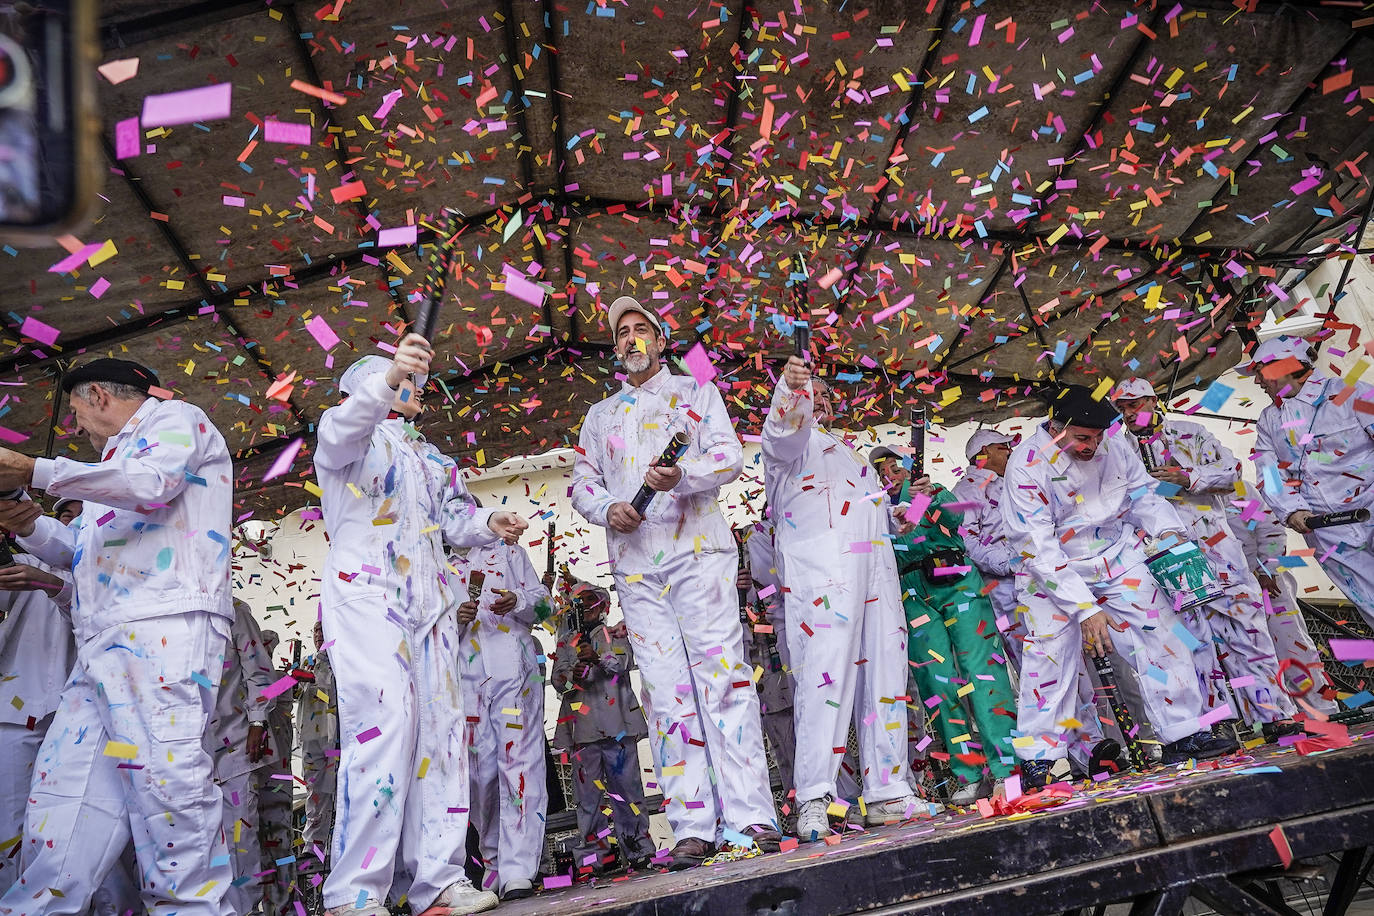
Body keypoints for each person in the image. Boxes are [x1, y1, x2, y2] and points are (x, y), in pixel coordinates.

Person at [0, 357, 236, 915]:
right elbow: (79, 554)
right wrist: (27, 522)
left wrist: (32, 466)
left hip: (162, 625)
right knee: (64, 793)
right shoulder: (111, 461)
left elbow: (153, 486)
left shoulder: (177, 418)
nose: (76, 426)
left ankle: (196, 910)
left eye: (77, 412)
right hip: (100, 641)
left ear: (101, 395)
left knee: (166, 781)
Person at [314, 335, 528, 916]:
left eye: (413, 379)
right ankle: (355, 892)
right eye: (395, 379)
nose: (410, 386)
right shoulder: (346, 434)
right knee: (383, 726)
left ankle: (438, 881)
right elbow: (343, 430)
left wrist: (491, 519)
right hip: (368, 597)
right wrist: (383, 380)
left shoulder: (430, 456)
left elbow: (454, 520)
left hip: (430, 602)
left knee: (441, 734)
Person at [571, 296, 779, 869]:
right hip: (636, 567)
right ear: (616, 349)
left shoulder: (696, 393)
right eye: (623, 334)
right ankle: (692, 825)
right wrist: (608, 508)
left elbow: (730, 457)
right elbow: (581, 484)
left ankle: (749, 815)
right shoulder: (600, 416)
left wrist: (682, 475)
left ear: (661, 342)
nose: (633, 339)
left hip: (697, 554)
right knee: (666, 693)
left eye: (643, 330)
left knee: (721, 679)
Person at [1001, 384, 1238, 788]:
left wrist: (1171, 538)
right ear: (1056, 429)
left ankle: (1184, 733)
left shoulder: (1112, 444)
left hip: (1116, 552)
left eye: (1097, 437)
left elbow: (1144, 494)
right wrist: (1085, 609)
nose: (1091, 446)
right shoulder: (1026, 464)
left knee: (1163, 635)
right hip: (1053, 566)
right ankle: (1040, 760)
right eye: (1081, 439)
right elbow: (1035, 547)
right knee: (1049, 657)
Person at [761, 354, 922, 841]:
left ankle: (888, 790)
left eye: (827, 397)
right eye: (814, 397)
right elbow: (782, 430)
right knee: (824, 680)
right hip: (824, 575)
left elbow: (874, 514)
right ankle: (814, 795)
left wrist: (900, 515)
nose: (822, 403)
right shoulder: (788, 447)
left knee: (886, 673)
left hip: (876, 574)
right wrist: (791, 392)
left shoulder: (853, 455)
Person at [1113, 378, 1301, 742]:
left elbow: (1232, 474)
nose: (1129, 412)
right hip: (1169, 561)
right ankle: (1217, 725)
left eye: (1134, 404)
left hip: (1219, 553)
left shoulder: (1191, 432)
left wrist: (1188, 477)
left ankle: (1275, 714)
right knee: (1193, 644)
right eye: (1122, 407)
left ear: (1153, 400)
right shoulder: (1117, 450)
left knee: (1248, 635)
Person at [870, 445, 1016, 806]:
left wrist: (929, 494)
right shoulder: (869, 510)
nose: (892, 475)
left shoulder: (923, 491)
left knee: (981, 672)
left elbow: (953, 521)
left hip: (956, 580)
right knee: (937, 681)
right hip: (910, 592)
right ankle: (968, 772)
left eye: (896, 467)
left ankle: (1006, 770)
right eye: (883, 470)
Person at [1249, 334, 1374, 631]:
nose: (1257, 382)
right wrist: (1292, 511)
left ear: (1285, 366)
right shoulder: (1268, 420)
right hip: (1327, 531)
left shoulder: (1353, 393)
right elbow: (1268, 473)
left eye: (1260, 373)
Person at [453, 537, 550, 901]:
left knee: (519, 764)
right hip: (466, 680)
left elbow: (545, 607)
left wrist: (520, 602)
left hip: (512, 673)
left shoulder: (509, 553)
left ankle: (518, 869)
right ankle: (493, 858)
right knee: (480, 775)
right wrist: (454, 620)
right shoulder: (434, 561)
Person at [550, 583, 656, 876]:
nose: (586, 608)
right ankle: (595, 860)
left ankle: (639, 851)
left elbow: (622, 663)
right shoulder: (566, 641)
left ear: (602, 606)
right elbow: (559, 682)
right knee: (588, 800)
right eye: (580, 603)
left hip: (618, 726)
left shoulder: (618, 633)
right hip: (582, 731)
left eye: (591, 602)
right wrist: (573, 675)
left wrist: (597, 658)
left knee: (628, 792)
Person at [0, 534, 75, 895]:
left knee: (79, 824)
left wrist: (55, 586)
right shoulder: (20, 564)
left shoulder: (112, 572)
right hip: (17, 709)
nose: (69, 523)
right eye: (63, 516)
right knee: (10, 827)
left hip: (85, 717)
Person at [1226, 490, 1340, 717]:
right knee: (1254, 657)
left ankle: (1324, 711)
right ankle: (1279, 716)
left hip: (1270, 587)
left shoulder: (1238, 490)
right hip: (1233, 594)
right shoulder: (1190, 499)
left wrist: (1266, 569)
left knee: (1293, 648)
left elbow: (1271, 529)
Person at [211, 599, 278, 916]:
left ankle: (245, 909)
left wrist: (257, 721)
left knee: (240, 836)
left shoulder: (233, 611)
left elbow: (259, 671)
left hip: (236, 743)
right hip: (188, 752)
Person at [950, 430, 1024, 673]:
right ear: (984, 452)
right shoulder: (965, 489)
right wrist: (1010, 563)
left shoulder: (1014, 480)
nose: (1010, 451)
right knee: (1027, 657)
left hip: (1035, 577)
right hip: (1001, 588)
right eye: (1003, 446)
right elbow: (966, 541)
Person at [735, 520, 796, 800]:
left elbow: (774, 600)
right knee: (779, 746)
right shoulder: (733, 585)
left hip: (783, 663)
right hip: (759, 673)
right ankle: (792, 803)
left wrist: (758, 596)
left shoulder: (775, 587)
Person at [254, 629, 297, 914]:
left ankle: (282, 907)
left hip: (277, 782)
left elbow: (266, 694)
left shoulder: (280, 681)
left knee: (280, 848)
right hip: (254, 780)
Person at [297, 619, 339, 872]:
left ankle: (339, 846)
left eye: (323, 630)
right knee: (315, 791)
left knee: (339, 790)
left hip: (336, 737)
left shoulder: (341, 662)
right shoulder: (305, 663)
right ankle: (313, 847)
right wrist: (291, 681)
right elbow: (283, 693)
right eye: (315, 630)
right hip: (311, 738)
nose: (318, 635)